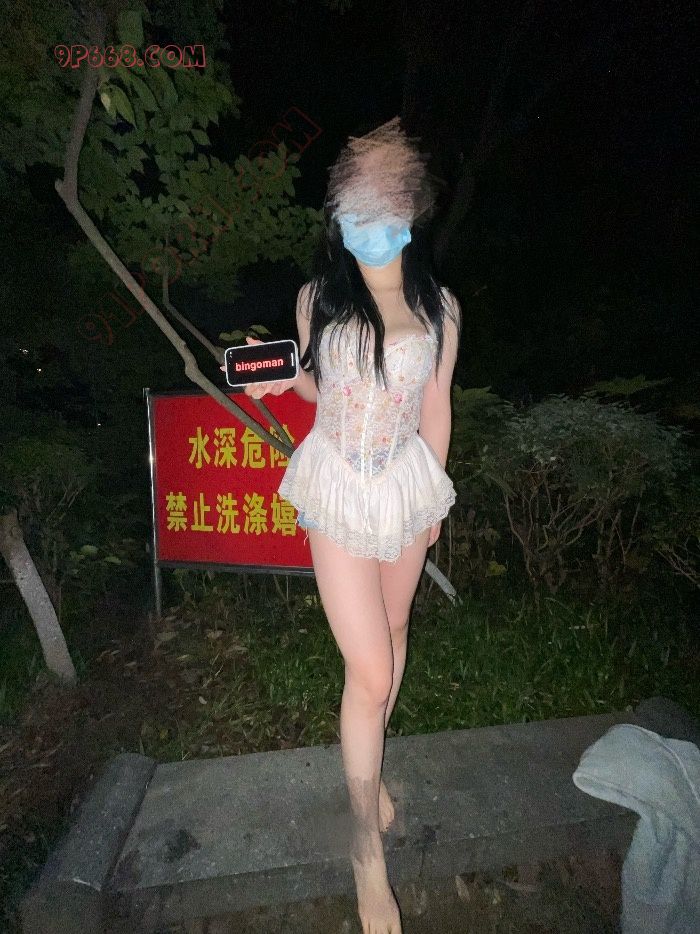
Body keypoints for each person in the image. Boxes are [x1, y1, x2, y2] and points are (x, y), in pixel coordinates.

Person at [229, 117, 461, 934]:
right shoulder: (316, 298)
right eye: (355, 203)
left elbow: (436, 409)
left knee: (394, 635)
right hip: (336, 486)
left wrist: (432, 508)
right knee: (369, 671)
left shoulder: (441, 309)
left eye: (384, 200)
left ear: (411, 209)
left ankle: (371, 768)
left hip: (404, 487)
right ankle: (367, 858)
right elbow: (320, 391)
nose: (367, 219)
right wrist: (277, 383)